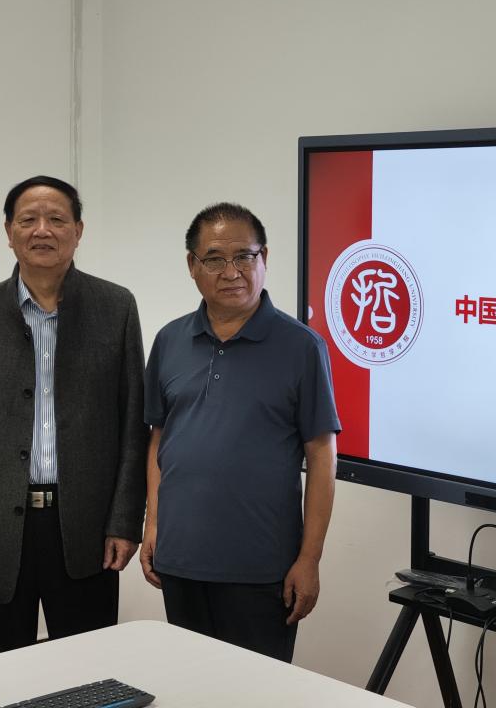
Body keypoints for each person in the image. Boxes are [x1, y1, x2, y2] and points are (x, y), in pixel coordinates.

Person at [0, 175, 147, 656]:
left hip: (86, 528)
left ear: (78, 230)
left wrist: (124, 521)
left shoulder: (115, 308)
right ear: (9, 232)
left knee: (88, 667)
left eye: (56, 219)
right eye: (28, 220)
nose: (42, 230)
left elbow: (133, 426)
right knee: (0, 670)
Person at [140, 202, 340, 662]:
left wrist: (309, 559)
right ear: (192, 265)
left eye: (244, 256)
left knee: (255, 690)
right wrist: (154, 525)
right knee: (189, 684)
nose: (231, 272)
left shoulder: (301, 347)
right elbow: (159, 440)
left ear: (263, 257)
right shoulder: (170, 341)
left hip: (262, 569)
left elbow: (322, 455)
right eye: (214, 259)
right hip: (181, 560)